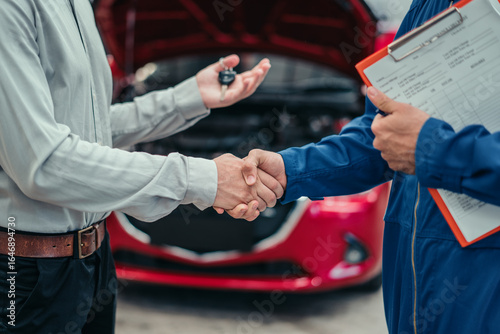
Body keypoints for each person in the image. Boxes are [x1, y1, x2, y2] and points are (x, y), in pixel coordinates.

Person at [0, 1, 282, 333]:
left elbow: (92, 130)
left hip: (95, 261)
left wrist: (187, 98)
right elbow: (45, 162)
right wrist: (203, 179)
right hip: (27, 269)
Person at [222, 0, 500, 333]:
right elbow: (380, 134)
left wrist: (436, 150)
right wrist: (291, 170)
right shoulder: (430, 4)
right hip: (413, 289)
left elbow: (417, 141)